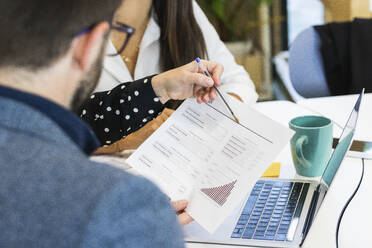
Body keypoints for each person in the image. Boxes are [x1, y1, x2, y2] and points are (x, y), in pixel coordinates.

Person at [0, 0, 223, 246]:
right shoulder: (119, 207)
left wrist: (156, 89)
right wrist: (149, 224)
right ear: (90, 45)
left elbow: (79, 119)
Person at [81, 0, 256, 146]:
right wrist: (122, 143)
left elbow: (237, 81)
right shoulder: (65, 20)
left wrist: (208, 118)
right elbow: (59, 126)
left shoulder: (179, 8)